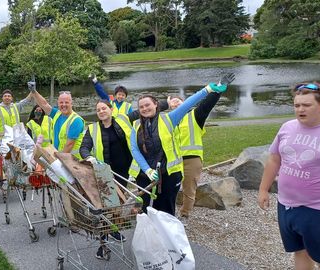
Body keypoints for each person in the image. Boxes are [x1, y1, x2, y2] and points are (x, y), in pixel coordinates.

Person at [129, 75, 233, 216]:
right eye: (141, 107)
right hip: (146, 174)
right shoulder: (136, 125)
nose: (145, 108)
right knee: (145, 208)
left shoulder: (169, 119)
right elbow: (134, 149)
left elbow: (188, 104)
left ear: (156, 105)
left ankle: (172, 229)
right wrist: (147, 170)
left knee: (165, 209)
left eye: (148, 105)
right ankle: (150, 234)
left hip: (168, 173)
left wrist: (208, 89)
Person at [258, 82, 320, 270]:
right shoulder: (287, 127)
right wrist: (263, 189)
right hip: (286, 205)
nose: (300, 109)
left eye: (306, 105)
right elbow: (274, 160)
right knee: (299, 251)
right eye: (296, 105)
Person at [79, 100, 140, 248]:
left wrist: (168, 104)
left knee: (118, 203)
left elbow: (143, 111)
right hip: (105, 172)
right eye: (98, 110)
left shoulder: (123, 120)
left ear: (111, 109)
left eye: (104, 108)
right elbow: (84, 148)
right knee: (106, 203)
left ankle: (114, 229)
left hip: (125, 170)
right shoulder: (93, 129)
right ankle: (105, 234)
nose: (101, 111)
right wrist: (89, 157)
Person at [166, 87, 226, 220]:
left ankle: (184, 214)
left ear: (185, 103)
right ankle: (168, 213)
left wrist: (217, 91)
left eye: (178, 101)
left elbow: (207, 104)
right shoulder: (167, 120)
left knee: (189, 188)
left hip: (191, 159)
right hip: (172, 160)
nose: (176, 104)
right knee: (168, 189)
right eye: (173, 102)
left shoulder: (195, 116)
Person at [30, 83, 85, 159]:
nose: (64, 105)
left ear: (71, 104)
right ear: (58, 104)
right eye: (61, 102)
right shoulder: (57, 114)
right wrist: (34, 92)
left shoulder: (76, 121)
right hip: (60, 155)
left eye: (66, 102)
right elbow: (44, 104)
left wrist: (57, 161)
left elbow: (69, 145)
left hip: (73, 160)